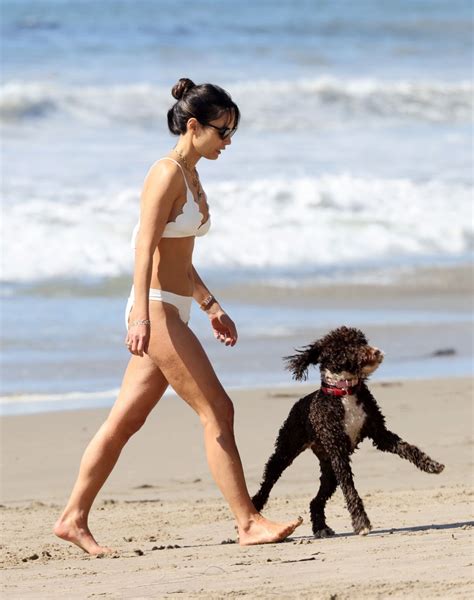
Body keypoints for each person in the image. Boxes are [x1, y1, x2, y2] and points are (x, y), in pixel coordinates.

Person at [54, 78, 302, 554]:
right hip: (157, 309)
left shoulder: (191, 173)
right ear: (194, 125)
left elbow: (179, 257)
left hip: (175, 306)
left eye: (232, 132)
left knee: (124, 422)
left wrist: (210, 305)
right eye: (222, 131)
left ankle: (72, 518)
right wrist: (142, 318)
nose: (228, 142)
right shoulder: (165, 173)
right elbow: (144, 246)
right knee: (218, 410)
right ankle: (247, 522)